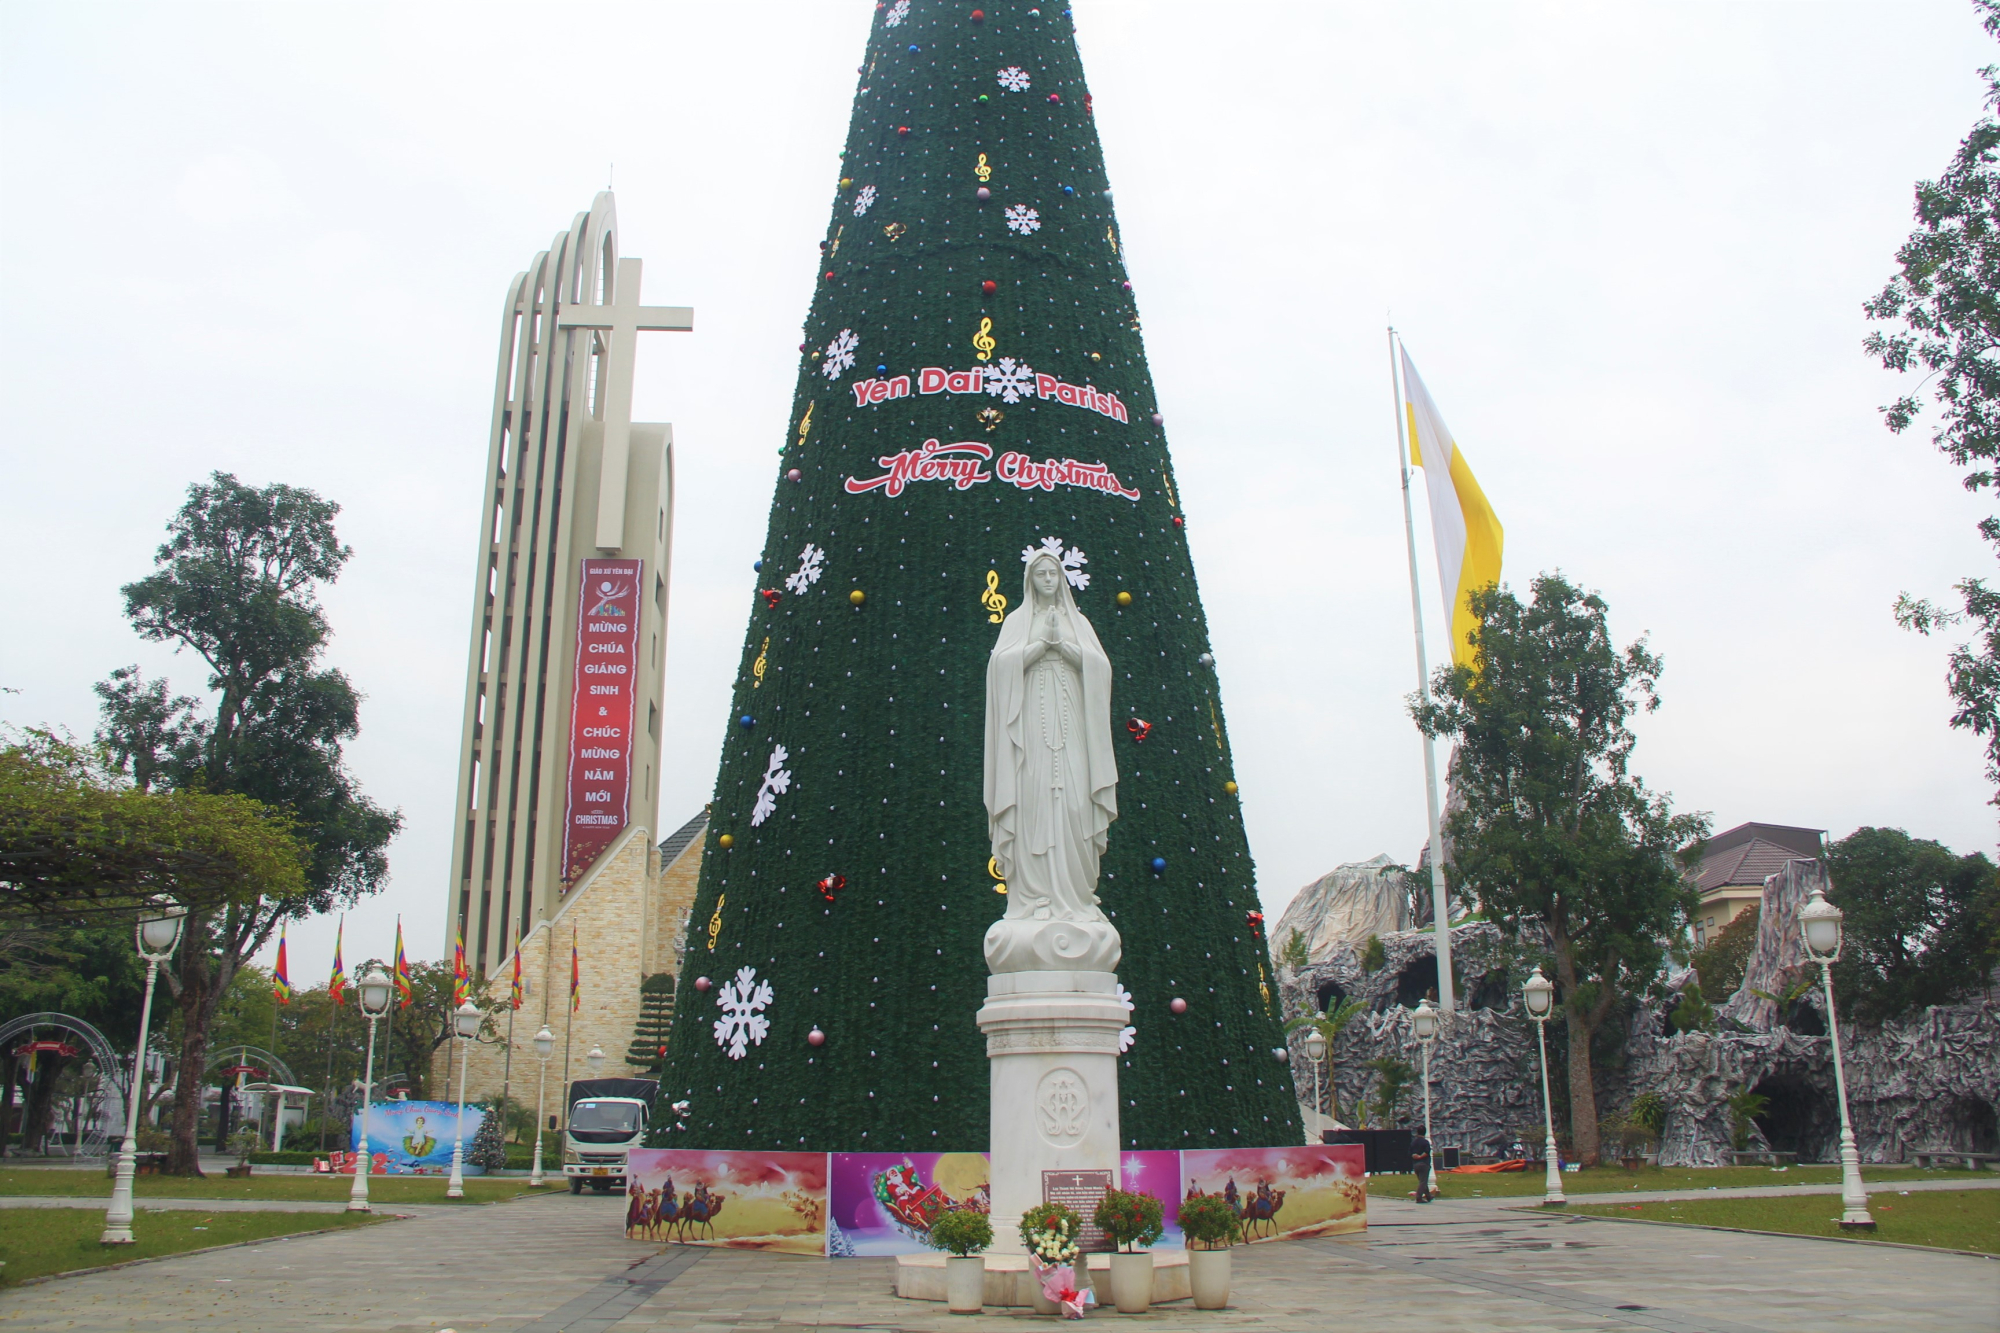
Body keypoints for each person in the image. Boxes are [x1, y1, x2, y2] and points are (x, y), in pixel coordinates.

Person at [1408, 1123, 1433, 1202]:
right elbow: (1427, 1152)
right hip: (1424, 1163)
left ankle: (1428, 1196)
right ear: (1425, 1133)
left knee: (1422, 1180)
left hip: (1415, 1164)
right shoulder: (1425, 1142)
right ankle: (1419, 1197)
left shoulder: (1413, 1142)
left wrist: (1414, 1156)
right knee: (1423, 1181)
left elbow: (1410, 1152)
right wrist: (1420, 1156)